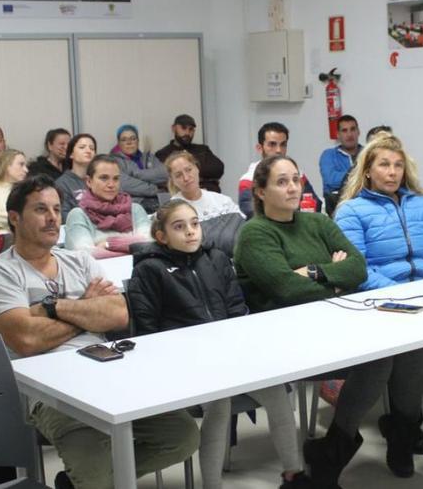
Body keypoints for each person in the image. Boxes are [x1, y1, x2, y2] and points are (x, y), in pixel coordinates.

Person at [0, 176, 199, 489]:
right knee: (95, 477)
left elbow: (119, 314)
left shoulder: (78, 261)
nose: (53, 217)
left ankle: (85, 481)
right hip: (46, 390)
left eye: (56, 208)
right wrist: (86, 309)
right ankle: (95, 480)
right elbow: (26, 340)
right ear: (15, 218)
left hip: (105, 371)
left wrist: (50, 309)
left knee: (182, 435)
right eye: (41, 209)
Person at [127, 200, 312, 489]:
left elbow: (237, 309)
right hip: (185, 362)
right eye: (179, 226)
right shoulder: (149, 270)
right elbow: (147, 330)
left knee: (276, 391)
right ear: (161, 236)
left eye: (194, 223)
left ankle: (293, 474)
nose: (190, 232)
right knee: (220, 402)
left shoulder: (215, 258)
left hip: (231, 354)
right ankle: (212, 485)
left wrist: (240, 348)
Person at [233, 156, 389, 488]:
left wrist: (316, 272)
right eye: (281, 181)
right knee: (380, 357)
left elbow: (358, 267)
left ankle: (341, 444)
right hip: (284, 338)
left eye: (295, 179)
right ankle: (334, 450)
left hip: (332, 322)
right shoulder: (254, 234)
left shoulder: (318, 223)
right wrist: (335, 279)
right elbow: (287, 289)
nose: (292, 187)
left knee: (400, 348)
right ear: (259, 191)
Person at [332, 132, 423, 470]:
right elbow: (358, 267)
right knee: (409, 355)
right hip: (380, 302)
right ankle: (398, 437)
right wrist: (402, 295)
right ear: (367, 170)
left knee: (418, 355)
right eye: (384, 164)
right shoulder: (351, 210)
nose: (393, 171)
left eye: (398, 165)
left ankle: (403, 433)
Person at [63, 155, 151, 258]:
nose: (111, 184)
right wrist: (133, 248)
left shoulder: (135, 209)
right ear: (89, 181)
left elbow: (149, 243)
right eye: (104, 178)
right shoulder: (78, 215)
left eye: (116, 179)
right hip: (99, 273)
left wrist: (108, 244)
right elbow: (84, 255)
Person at [165, 151, 245, 255]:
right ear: (173, 181)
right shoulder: (172, 210)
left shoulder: (223, 200)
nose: (186, 178)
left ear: (197, 169)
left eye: (189, 170)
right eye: (178, 175)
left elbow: (243, 231)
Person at [238, 122, 321, 218]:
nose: (278, 150)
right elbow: (251, 212)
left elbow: (315, 204)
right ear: (260, 148)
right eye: (272, 144)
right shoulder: (248, 179)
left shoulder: (298, 174)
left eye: (283, 145)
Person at [153, 114, 226, 193]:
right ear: (174, 128)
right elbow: (165, 177)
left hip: (209, 192)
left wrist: (185, 170)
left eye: (191, 129)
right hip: (182, 195)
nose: (187, 133)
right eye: (183, 128)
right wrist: (202, 174)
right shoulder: (163, 153)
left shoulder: (202, 149)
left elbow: (218, 169)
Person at [108, 124, 168, 213]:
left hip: (161, 199)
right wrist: (155, 188)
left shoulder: (149, 157)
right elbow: (124, 184)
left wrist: (137, 173)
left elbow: (165, 174)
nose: (129, 142)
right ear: (119, 143)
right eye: (124, 140)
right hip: (135, 204)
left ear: (138, 141)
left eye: (133, 138)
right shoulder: (113, 161)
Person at [318, 115, 362, 214]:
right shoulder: (329, 155)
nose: (349, 134)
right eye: (344, 130)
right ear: (338, 134)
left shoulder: (367, 153)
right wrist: (360, 175)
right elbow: (331, 180)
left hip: (364, 205)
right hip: (337, 207)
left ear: (358, 132)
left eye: (353, 129)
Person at [55, 133, 97, 215]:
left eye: (92, 148)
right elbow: (63, 215)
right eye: (82, 147)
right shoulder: (62, 184)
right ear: (71, 154)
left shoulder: (99, 180)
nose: (88, 151)